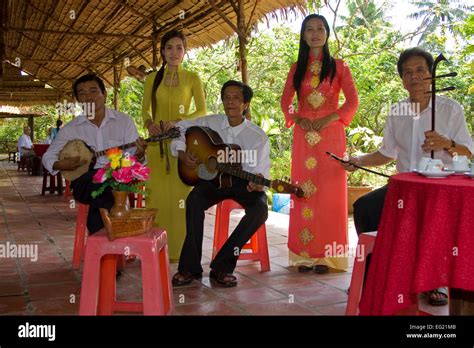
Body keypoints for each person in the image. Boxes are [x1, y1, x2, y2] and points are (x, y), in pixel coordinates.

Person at [340, 47, 473, 305]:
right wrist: (358, 161)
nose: (415, 77)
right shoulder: (397, 111)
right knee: (364, 208)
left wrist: (447, 143)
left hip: (440, 189)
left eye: (421, 70)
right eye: (408, 72)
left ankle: (435, 283)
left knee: (433, 221)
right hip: (404, 190)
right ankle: (376, 275)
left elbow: (468, 152)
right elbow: (387, 153)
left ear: (432, 75)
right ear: (402, 80)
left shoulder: (449, 109)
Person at [170, 80, 269, 287]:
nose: (230, 102)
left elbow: (260, 171)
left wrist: (257, 183)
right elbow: (179, 127)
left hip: (243, 182)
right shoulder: (212, 122)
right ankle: (190, 268)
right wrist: (181, 152)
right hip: (213, 181)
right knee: (194, 199)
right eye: (226, 97)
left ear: (245, 104)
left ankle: (222, 266)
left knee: (260, 208)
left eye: (236, 98)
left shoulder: (257, 136)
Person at [280, 14, 359, 274]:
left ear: (327, 33)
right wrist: (297, 119)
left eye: (320, 28)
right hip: (304, 138)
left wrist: (329, 118)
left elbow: (352, 102)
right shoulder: (296, 67)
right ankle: (304, 256)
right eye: (309, 29)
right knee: (303, 193)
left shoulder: (340, 66)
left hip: (331, 137)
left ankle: (328, 256)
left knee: (330, 195)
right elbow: (286, 102)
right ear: (303, 36)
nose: (315, 33)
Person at [42, 74, 147, 234]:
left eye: (93, 91)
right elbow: (48, 156)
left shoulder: (124, 122)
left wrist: (139, 155)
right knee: (101, 186)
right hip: (85, 181)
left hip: (116, 176)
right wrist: (59, 164)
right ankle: (114, 238)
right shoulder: (71, 128)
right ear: (78, 100)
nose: (88, 97)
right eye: (82, 93)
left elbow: (133, 160)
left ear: (104, 95)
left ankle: (100, 240)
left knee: (105, 192)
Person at [142, 29, 207, 262]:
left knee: (183, 200)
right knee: (156, 197)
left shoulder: (192, 78)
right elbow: (145, 110)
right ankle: (153, 250)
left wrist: (179, 121)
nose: (174, 52)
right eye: (169, 47)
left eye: (179, 47)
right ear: (162, 51)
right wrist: (149, 123)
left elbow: (202, 110)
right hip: (156, 147)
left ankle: (181, 252)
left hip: (182, 145)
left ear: (185, 51)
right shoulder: (152, 79)